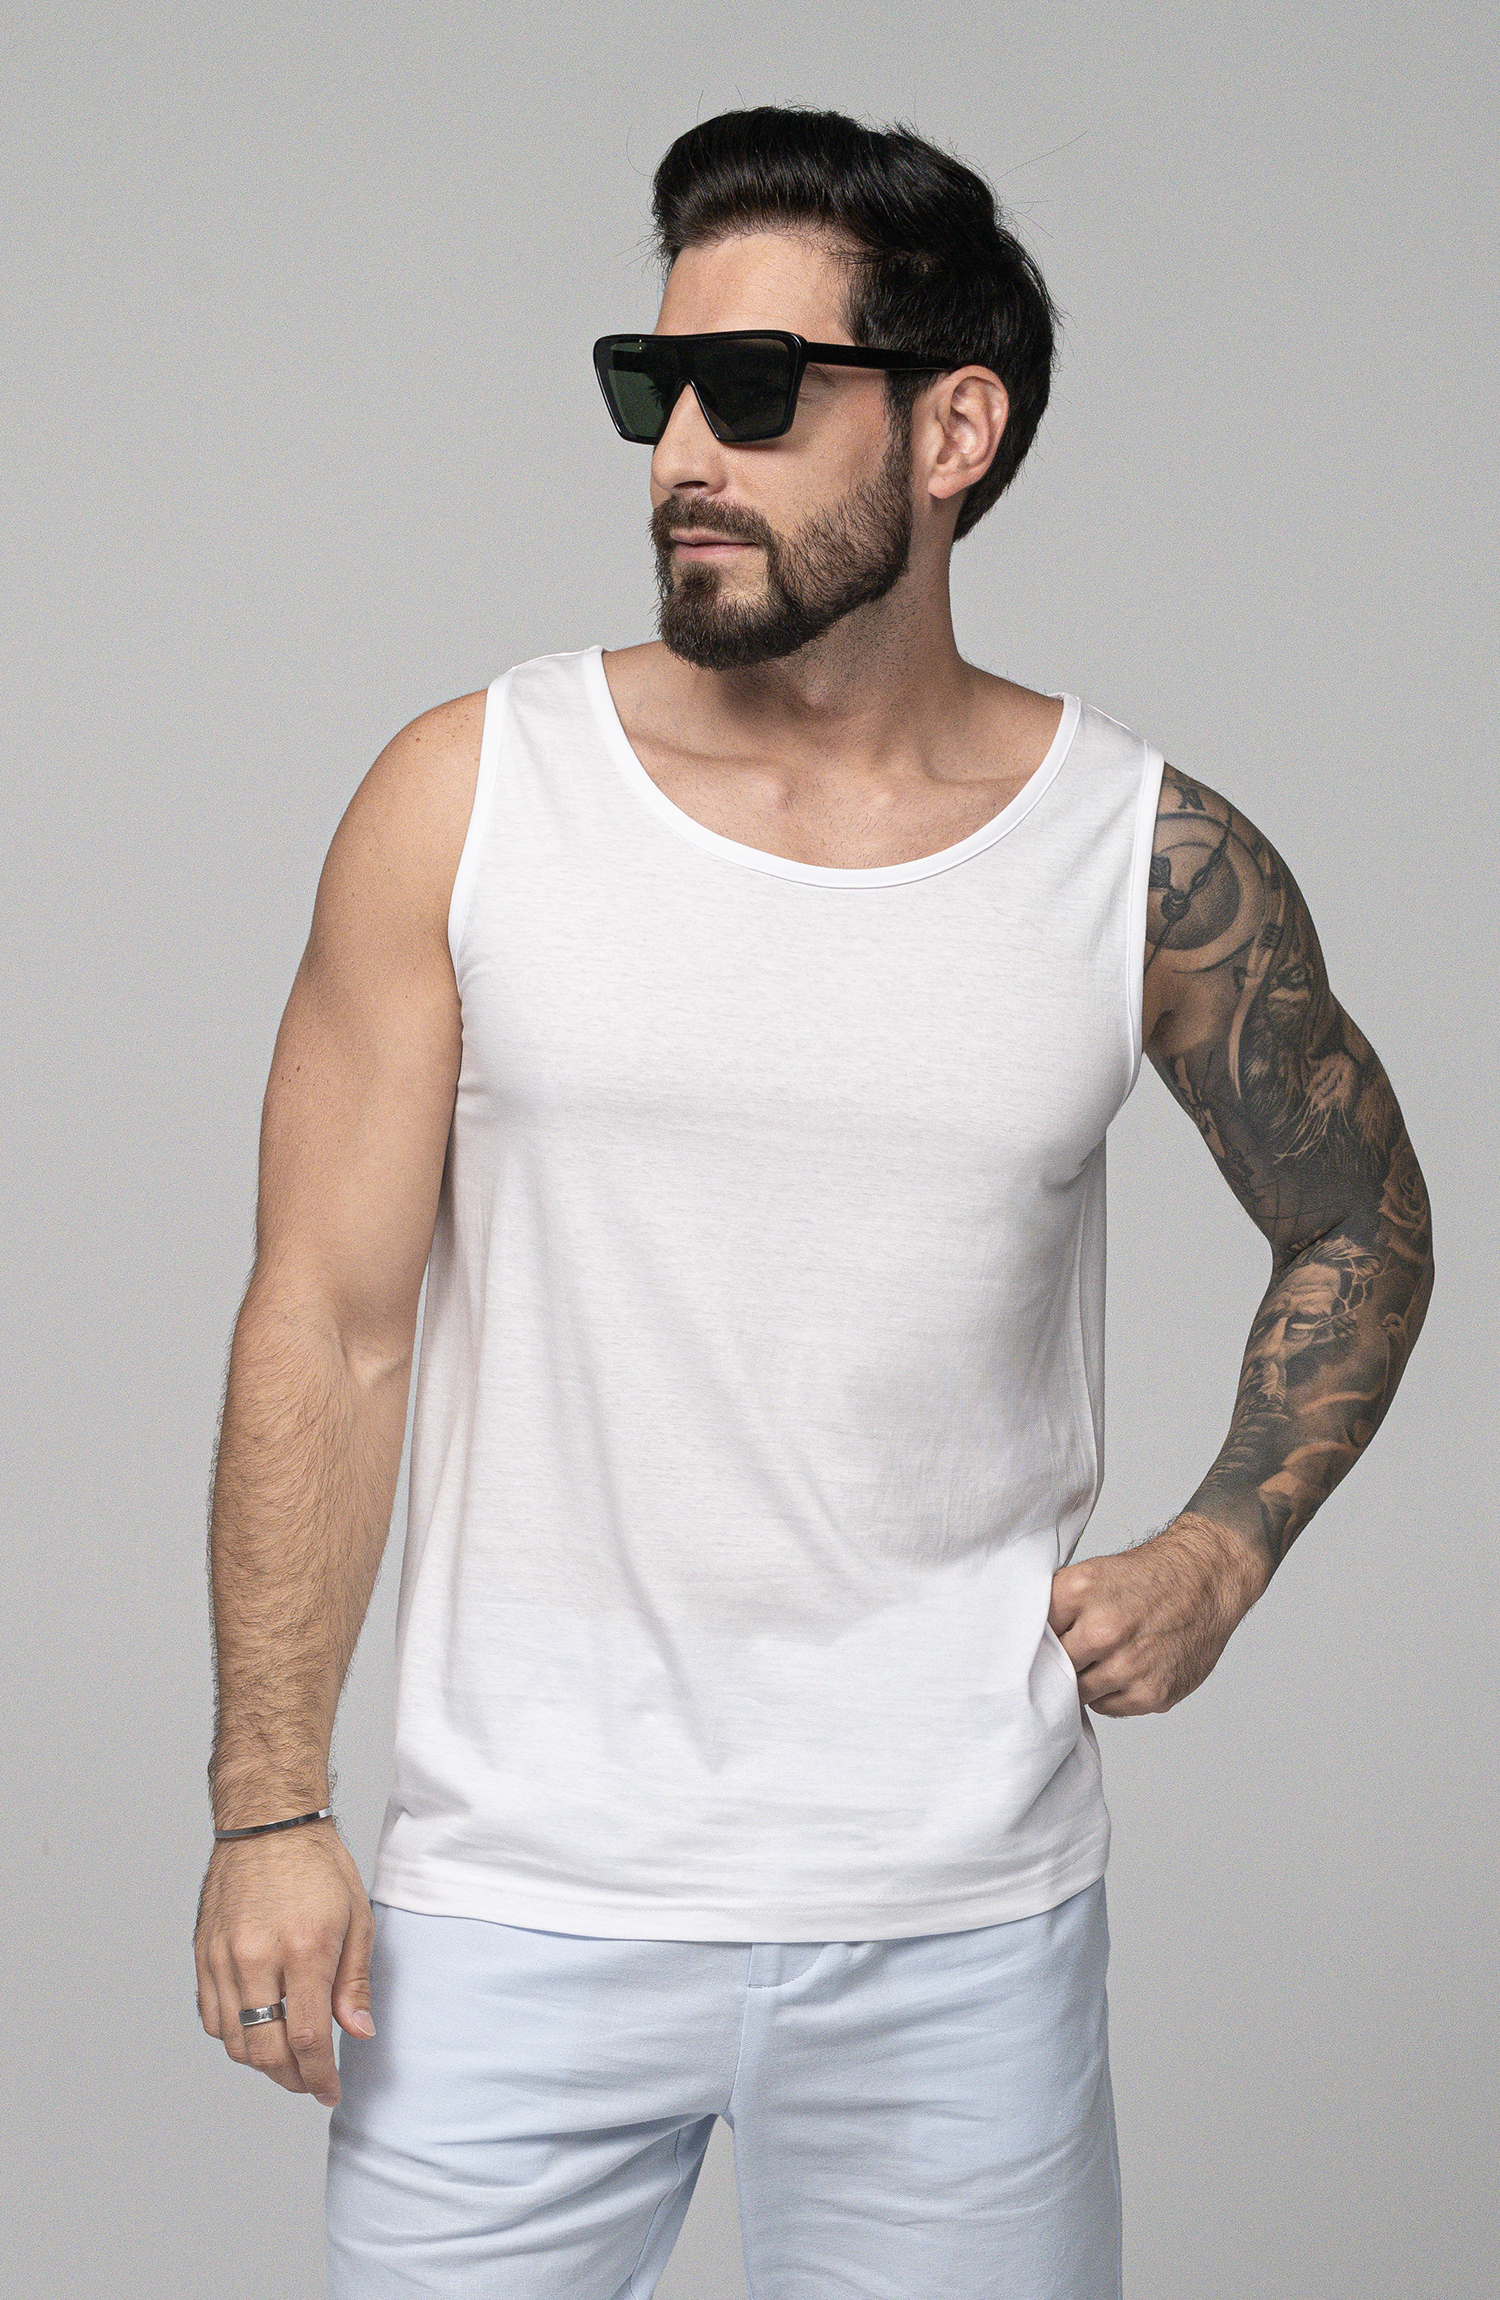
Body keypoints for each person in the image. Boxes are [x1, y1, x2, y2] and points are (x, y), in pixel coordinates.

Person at [193, 105, 1434, 2300]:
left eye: (754, 392)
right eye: (652, 386)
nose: (683, 451)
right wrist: (269, 1803)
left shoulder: (1141, 858)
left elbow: (1362, 1219)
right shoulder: (472, 797)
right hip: (515, 1911)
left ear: (954, 430)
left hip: (960, 1931)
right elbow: (328, 1323)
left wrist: (1228, 1541)